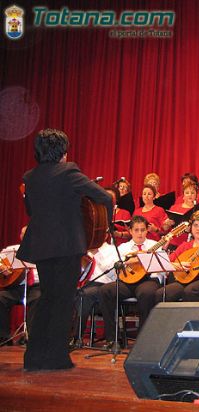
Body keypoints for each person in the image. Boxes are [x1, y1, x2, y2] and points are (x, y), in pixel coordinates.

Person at [16, 128, 113, 371]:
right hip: (67, 245)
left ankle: (34, 356)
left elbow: (31, 211)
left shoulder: (30, 176)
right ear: (62, 152)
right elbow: (104, 197)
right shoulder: (69, 171)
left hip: (41, 246)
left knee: (48, 299)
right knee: (62, 301)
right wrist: (105, 226)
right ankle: (57, 358)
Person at [98, 215, 163, 349]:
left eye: (143, 230)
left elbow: (161, 267)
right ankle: (113, 338)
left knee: (146, 293)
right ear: (131, 231)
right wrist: (128, 261)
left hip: (148, 279)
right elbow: (114, 266)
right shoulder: (123, 248)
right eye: (136, 230)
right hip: (128, 281)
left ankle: (143, 338)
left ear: (147, 231)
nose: (140, 233)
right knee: (105, 291)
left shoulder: (154, 245)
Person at [70, 238, 118, 347]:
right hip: (86, 284)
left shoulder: (112, 250)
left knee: (84, 295)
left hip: (105, 284)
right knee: (70, 294)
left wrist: (97, 255)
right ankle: (66, 336)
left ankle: (76, 337)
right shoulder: (86, 250)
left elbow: (114, 273)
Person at [0, 227, 40, 346]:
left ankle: (32, 337)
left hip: (35, 286)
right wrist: (2, 268)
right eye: (23, 233)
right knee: (0, 298)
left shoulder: (42, 251)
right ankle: (4, 336)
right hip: (16, 287)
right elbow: (1, 262)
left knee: (38, 298)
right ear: (20, 236)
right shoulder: (12, 250)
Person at [163, 181, 199, 249]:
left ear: (196, 196)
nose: (190, 195)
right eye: (187, 193)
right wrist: (167, 223)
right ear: (183, 196)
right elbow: (165, 228)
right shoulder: (174, 208)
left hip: (193, 245)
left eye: (192, 193)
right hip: (174, 243)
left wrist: (191, 229)